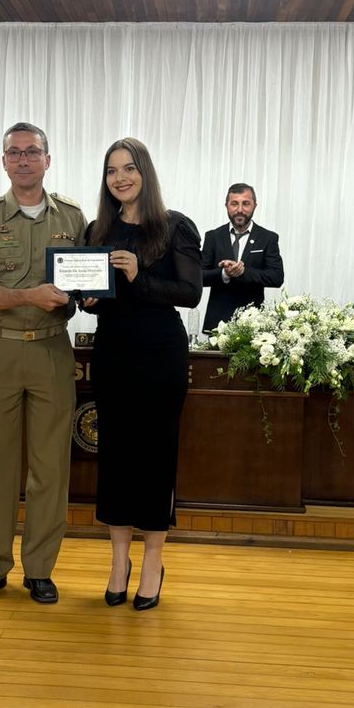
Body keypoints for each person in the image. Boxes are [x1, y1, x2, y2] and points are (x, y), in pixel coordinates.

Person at [0, 122, 87, 605]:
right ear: (4, 162)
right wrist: (30, 294)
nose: (24, 160)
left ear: (47, 161)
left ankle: (40, 569)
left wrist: (90, 297)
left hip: (53, 349)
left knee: (50, 464)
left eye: (32, 152)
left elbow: (84, 282)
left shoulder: (73, 218)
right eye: (14, 153)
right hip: (0, 348)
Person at [85, 138, 202, 611]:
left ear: (144, 173)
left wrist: (139, 275)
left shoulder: (176, 226)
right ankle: (118, 561)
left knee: (155, 458)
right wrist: (87, 298)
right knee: (114, 457)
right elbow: (90, 292)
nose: (120, 178)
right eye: (112, 171)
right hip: (113, 353)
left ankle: (153, 561)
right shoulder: (97, 229)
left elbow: (191, 293)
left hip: (160, 356)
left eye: (128, 168)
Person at [201, 183, 284, 332]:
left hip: (255, 325)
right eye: (234, 204)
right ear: (226, 206)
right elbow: (198, 276)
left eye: (245, 204)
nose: (239, 210)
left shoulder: (267, 238)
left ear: (254, 206)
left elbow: (276, 277)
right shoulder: (213, 237)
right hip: (218, 323)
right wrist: (224, 274)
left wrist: (243, 272)